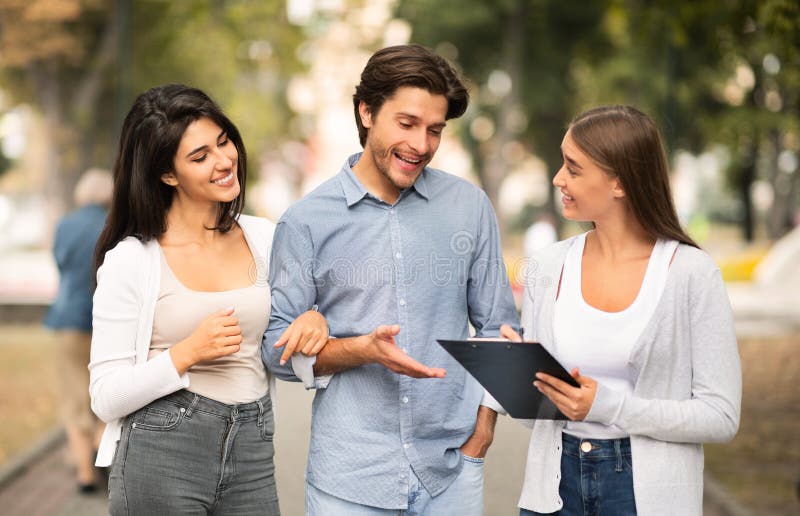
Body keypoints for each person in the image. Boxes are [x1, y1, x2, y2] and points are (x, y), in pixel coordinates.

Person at [262, 44, 519, 515]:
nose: (421, 145)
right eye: (406, 124)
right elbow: (275, 351)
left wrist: (482, 432)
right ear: (366, 112)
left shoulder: (469, 207)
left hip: (452, 474)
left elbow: (499, 329)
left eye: (435, 130)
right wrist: (356, 349)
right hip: (349, 479)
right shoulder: (305, 222)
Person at [89, 84, 328, 515]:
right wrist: (185, 354)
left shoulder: (266, 238)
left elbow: (297, 322)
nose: (223, 161)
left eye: (223, 142)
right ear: (167, 174)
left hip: (252, 444)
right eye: (200, 157)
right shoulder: (133, 261)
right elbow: (105, 397)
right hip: (163, 450)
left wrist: (315, 318)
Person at [492, 105, 741, 515]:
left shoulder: (692, 274)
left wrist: (609, 407)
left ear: (620, 182)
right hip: (553, 491)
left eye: (573, 168)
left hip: (646, 497)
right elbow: (538, 420)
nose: (558, 178)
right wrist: (516, 373)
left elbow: (721, 416)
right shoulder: (547, 267)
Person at [44, 167, 112, 493]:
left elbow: (59, 264)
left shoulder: (65, 225)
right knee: (107, 388)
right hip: (108, 320)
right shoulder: (116, 224)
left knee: (74, 396)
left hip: (69, 318)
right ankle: (101, 442)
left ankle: (85, 473)